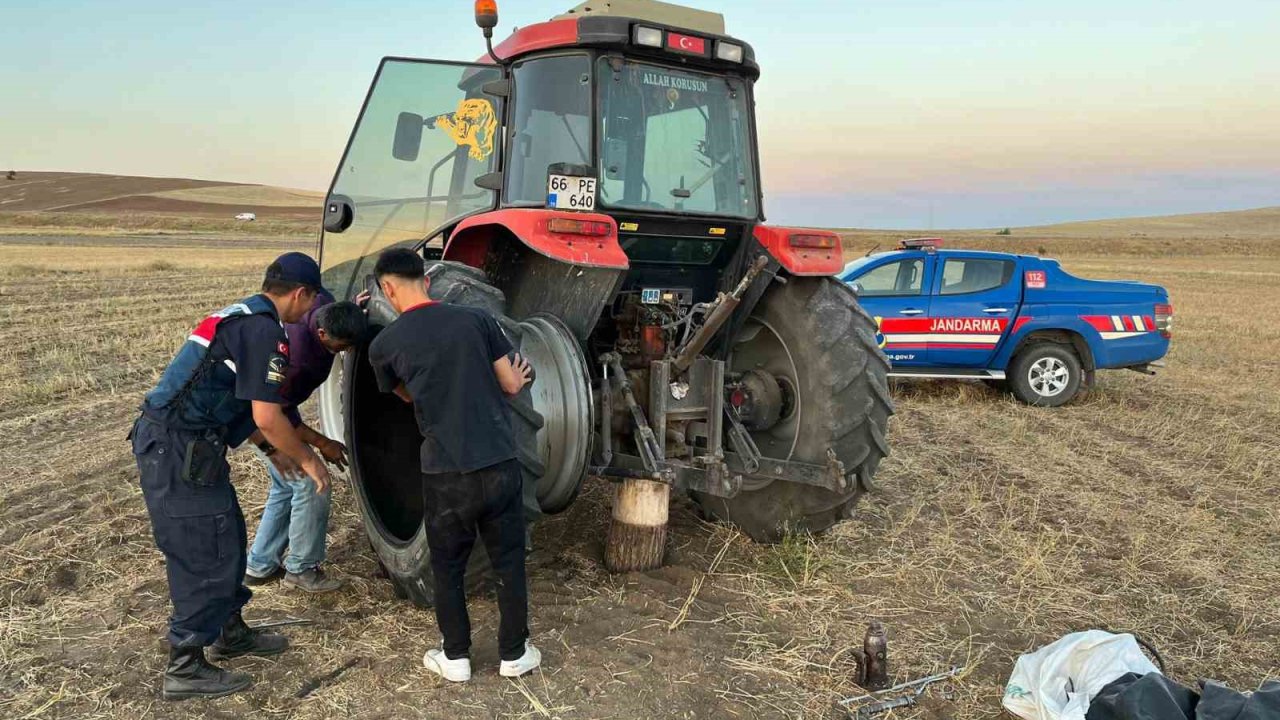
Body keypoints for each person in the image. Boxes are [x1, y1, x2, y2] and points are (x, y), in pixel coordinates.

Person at [129, 252, 335, 701]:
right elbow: (267, 414)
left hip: (192, 446)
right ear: (301, 294)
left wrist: (267, 447)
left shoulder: (246, 316)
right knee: (203, 547)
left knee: (228, 535)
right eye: (312, 300)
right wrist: (307, 459)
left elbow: (236, 394)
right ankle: (184, 665)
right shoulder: (265, 331)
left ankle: (230, 630)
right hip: (178, 447)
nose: (310, 312)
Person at [366, 248, 538, 682]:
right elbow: (510, 384)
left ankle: (456, 657)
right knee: (509, 561)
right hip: (499, 462)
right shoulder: (476, 320)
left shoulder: (384, 344)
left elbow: (404, 394)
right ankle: (515, 654)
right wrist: (517, 377)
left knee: (447, 567)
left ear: (387, 288)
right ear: (425, 278)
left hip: (445, 473)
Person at [244, 294, 367, 592]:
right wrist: (322, 444)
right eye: (342, 346)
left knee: (287, 486)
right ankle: (301, 568)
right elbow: (275, 417)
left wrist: (352, 304)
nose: (347, 351)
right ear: (322, 334)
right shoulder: (298, 361)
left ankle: (259, 566)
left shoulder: (321, 305)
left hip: (274, 408)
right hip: (259, 418)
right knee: (312, 484)